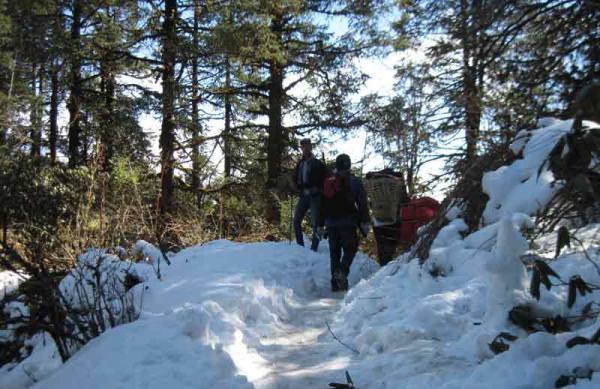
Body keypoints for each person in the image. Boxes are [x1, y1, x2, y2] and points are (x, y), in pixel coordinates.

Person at [319, 154, 370, 291]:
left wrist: (320, 224)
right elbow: (362, 204)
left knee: (334, 253)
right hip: (348, 223)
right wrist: (365, 222)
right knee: (350, 249)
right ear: (349, 165)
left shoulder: (329, 181)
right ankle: (342, 272)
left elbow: (322, 204)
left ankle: (335, 283)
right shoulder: (355, 182)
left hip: (330, 223)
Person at [292, 138, 327, 251]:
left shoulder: (318, 164)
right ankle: (300, 246)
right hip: (303, 195)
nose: (305, 148)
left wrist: (318, 189)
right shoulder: (300, 164)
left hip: (315, 196)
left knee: (316, 223)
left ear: (311, 147)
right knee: (296, 220)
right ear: (301, 148)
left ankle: (314, 248)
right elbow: (296, 178)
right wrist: (295, 187)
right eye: (302, 147)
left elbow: (324, 179)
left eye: (307, 146)